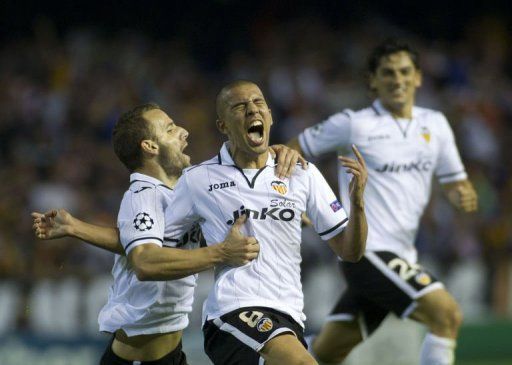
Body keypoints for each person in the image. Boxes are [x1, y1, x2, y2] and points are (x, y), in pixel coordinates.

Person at [32, 103, 307, 365]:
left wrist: (269, 157)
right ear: (150, 146)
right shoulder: (144, 194)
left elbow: (140, 239)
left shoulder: (181, 193)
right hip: (138, 359)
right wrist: (222, 252)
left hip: (169, 354)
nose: (183, 131)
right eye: (170, 128)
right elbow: (145, 261)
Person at [288, 39, 478, 365]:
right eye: (387, 72)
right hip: (365, 251)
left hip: (403, 254)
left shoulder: (435, 125)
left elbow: (453, 180)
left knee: (325, 353)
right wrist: (300, 202)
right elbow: (291, 150)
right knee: (446, 314)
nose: (397, 79)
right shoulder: (352, 124)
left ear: (418, 77)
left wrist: (462, 192)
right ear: (372, 80)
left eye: (405, 71)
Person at [161, 80, 368, 365]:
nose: (251, 110)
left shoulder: (301, 174)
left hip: (290, 315)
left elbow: (350, 251)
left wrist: (357, 205)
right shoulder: (198, 179)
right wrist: (217, 253)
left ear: (270, 116)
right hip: (233, 311)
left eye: (258, 103)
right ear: (223, 126)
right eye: (239, 106)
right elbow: (157, 250)